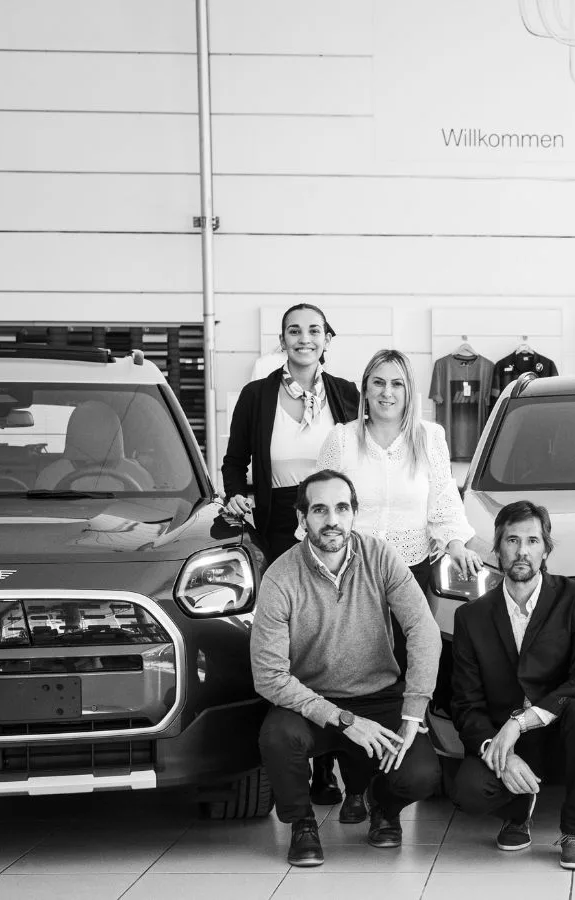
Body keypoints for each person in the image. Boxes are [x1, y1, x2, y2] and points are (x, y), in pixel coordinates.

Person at [250, 469, 443, 867]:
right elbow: (269, 676)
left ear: (354, 513)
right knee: (277, 737)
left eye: (341, 508)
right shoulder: (279, 577)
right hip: (310, 703)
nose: (332, 520)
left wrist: (413, 712)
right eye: (320, 510)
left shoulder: (380, 556)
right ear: (302, 518)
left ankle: (383, 806)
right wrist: (342, 719)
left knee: (421, 774)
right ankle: (302, 823)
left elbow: (423, 629)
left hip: (379, 696)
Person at [222, 302, 362, 810]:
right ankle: (304, 760)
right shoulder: (256, 395)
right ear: (283, 340)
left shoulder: (346, 393)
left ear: (327, 338)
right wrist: (236, 495)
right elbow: (234, 462)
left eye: (313, 330)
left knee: (339, 635)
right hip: (279, 524)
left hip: (334, 525)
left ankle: (335, 765)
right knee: (296, 639)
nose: (304, 338)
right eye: (294, 331)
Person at [449, 501, 575, 871]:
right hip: (504, 738)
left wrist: (520, 722)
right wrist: (499, 751)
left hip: (559, 731)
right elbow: (465, 704)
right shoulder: (471, 617)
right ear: (497, 548)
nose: (522, 551)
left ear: (546, 549)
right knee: (468, 792)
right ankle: (517, 811)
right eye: (512, 540)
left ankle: (574, 832)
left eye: (532, 541)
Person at [316, 348, 483, 596]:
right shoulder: (341, 439)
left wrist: (457, 546)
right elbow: (318, 504)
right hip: (349, 572)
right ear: (365, 388)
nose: (387, 392)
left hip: (411, 573)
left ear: (408, 391)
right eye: (378, 382)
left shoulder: (430, 437)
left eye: (397, 384)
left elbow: (444, 504)